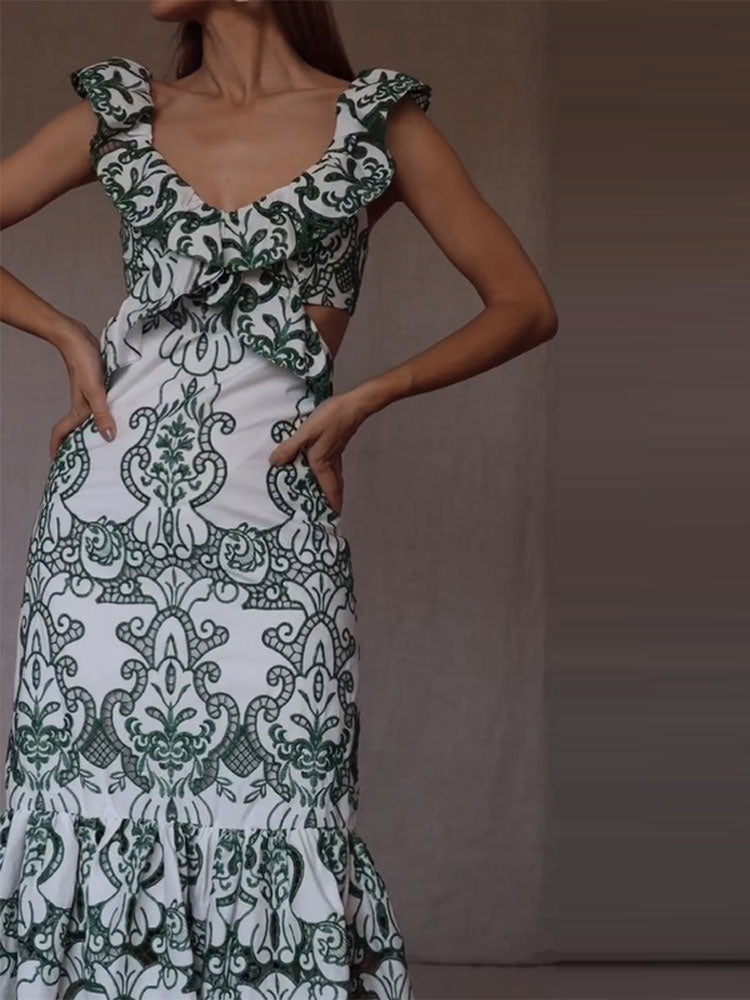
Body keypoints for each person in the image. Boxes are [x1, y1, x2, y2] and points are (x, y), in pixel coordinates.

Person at [0, 1, 558, 997]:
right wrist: (67, 336)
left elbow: (524, 304)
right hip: (105, 528)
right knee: (88, 806)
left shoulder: (377, 125)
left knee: (284, 806)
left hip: (272, 522)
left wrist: (370, 395)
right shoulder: (123, 112)